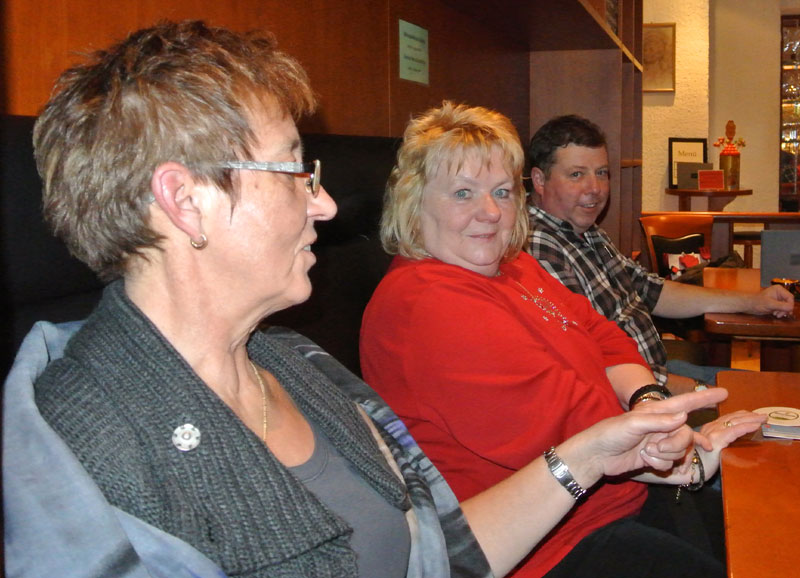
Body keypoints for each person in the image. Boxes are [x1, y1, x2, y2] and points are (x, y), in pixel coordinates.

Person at [1, 21, 731, 578]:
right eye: (293, 170)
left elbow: (441, 554)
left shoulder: (298, 366)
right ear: (184, 201)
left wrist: (596, 453)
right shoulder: (86, 443)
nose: (322, 203)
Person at [360, 101, 765, 578]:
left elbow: (603, 334)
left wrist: (650, 399)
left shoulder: (512, 265)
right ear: (415, 200)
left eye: (503, 191)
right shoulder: (424, 304)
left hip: (616, 495)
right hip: (550, 545)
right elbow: (564, 422)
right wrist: (666, 435)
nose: (490, 212)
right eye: (463, 193)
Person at [527, 114, 795, 391]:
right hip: (637, 399)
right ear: (539, 179)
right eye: (576, 174)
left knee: (776, 390)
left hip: (657, 373)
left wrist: (753, 302)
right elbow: (590, 364)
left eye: (602, 173)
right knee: (768, 398)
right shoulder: (539, 247)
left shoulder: (585, 229)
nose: (595, 189)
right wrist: (699, 392)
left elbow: (652, 290)